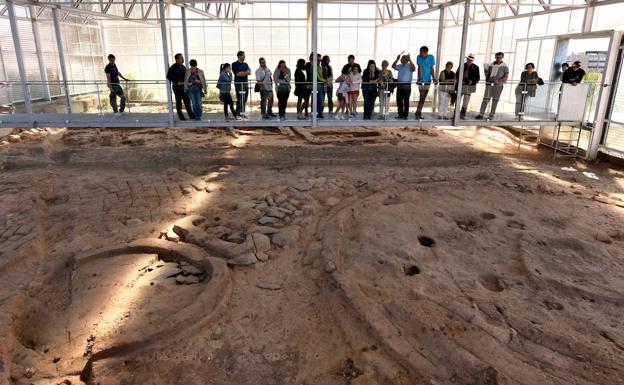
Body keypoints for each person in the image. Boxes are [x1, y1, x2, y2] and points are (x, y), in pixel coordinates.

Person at [476, 52, 509, 119]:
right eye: (497, 57)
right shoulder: (491, 64)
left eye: (500, 57)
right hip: (489, 85)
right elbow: (487, 74)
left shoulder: (505, 66)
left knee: (495, 101)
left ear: (502, 57)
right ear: (495, 57)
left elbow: (506, 77)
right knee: (485, 99)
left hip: (498, 86)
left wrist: (499, 81)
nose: (498, 58)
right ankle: (481, 114)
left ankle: (491, 115)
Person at [167, 53, 195, 120]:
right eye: (181, 58)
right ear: (176, 59)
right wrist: (176, 81)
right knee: (179, 102)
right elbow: (168, 76)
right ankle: (181, 116)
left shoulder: (183, 67)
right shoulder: (173, 67)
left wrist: (189, 82)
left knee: (187, 102)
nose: (182, 59)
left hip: (184, 87)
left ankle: (191, 115)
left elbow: (186, 76)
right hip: (177, 88)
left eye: (182, 57)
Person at [392, 53, 416, 119]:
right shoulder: (400, 66)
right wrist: (397, 59)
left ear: (406, 60)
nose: (401, 60)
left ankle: (405, 115)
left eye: (403, 59)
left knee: (406, 101)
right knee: (399, 100)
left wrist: (410, 59)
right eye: (401, 59)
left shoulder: (410, 65)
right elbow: (393, 66)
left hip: (407, 85)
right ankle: (400, 114)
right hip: (399, 84)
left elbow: (414, 69)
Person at [415, 46, 436, 119]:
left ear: (425, 52)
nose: (419, 53)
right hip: (421, 81)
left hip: (428, 80)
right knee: (422, 97)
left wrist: (434, 78)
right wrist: (420, 79)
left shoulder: (431, 57)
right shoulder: (418, 57)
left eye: (421, 52)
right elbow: (420, 68)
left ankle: (418, 112)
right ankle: (418, 112)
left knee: (423, 97)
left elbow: (431, 68)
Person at [457, 54, 480, 118]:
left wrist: (472, 81)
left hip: (469, 86)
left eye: (471, 60)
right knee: (458, 99)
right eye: (468, 59)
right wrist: (460, 81)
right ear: (466, 59)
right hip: (461, 85)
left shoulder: (476, 67)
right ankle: (456, 113)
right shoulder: (462, 65)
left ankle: (462, 114)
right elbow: (457, 74)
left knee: (466, 100)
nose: (469, 61)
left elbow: (477, 78)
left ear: (472, 61)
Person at [306, 53, 326, 118]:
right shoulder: (313, 67)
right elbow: (317, 78)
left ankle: (319, 113)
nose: (319, 61)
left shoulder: (320, 67)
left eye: (320, 60)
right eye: (318, 60)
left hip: (321, 86)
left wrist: (325, 83)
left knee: (321, 100)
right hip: (316, 86)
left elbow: (321, 77)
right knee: (316, 100)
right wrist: (326, 81)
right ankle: (315, 113)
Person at [232, 51, 251, 117]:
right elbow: (237, 74)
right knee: (240, 99)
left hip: (245, 84)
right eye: (243, 56)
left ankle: (242, 114)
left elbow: (250, 72)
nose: (244, 57)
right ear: (239, 56)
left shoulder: (245, 64)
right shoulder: (234, 64)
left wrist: (243, 73)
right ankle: (238, 114)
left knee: (245, 99)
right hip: (239, 85)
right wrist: (245, 72)